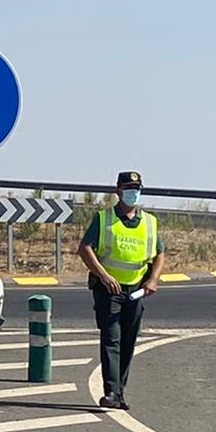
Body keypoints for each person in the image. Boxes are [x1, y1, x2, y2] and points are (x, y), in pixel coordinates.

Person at [77, 171, 165, 411]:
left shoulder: (149, 222)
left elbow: (159, 254)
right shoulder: (104, 218)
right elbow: (85, 248)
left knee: (128, 341)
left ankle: (120, 392)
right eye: (128, 187)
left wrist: (153, 280)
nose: (132, 192)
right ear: (117, 190)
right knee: (111, 339)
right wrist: (104, 276)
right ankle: (112, 392)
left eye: (136, 188)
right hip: (109, 290)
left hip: (136, 290)